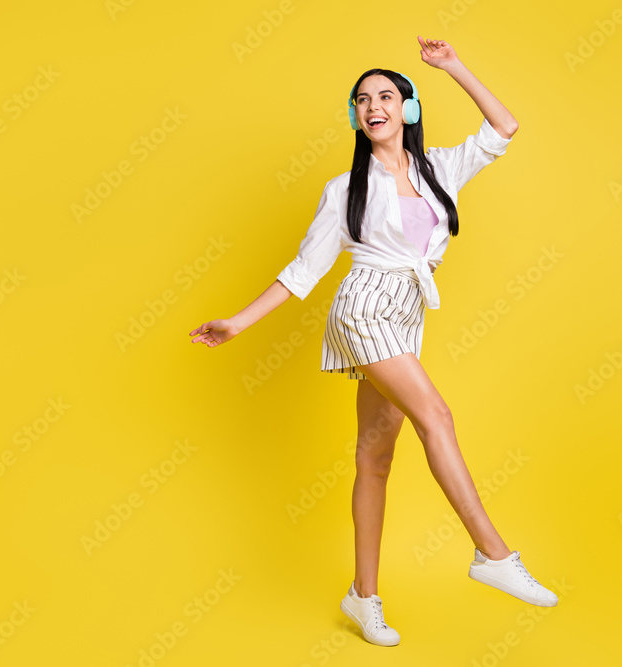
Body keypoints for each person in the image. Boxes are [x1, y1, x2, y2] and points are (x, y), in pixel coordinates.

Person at [188, 35, 558, 647]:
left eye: (385, 95)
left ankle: (362, 597)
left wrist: (452, 67)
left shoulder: (439, 168)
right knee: (436, 416)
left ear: (407, 108)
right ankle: (492, 554)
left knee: (374, 456)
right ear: (357, 117)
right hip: (364, 308)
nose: (373, 105)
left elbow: (505, 125)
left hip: (408, 312)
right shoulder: (344, 189)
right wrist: (237, 323)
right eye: (362, 100)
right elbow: (302, 271)